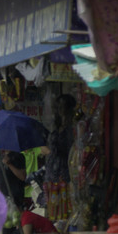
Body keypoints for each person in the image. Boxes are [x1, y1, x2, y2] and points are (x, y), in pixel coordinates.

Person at [41, 93, 76, 221]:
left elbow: (68, 150)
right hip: (52, 174)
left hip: (64, 174)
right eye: (58, 107)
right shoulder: (56, 127)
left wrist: (50, 151)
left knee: (64, 211)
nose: (59, 110)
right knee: (54, 210)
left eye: (62, 107)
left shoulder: (70, 129)